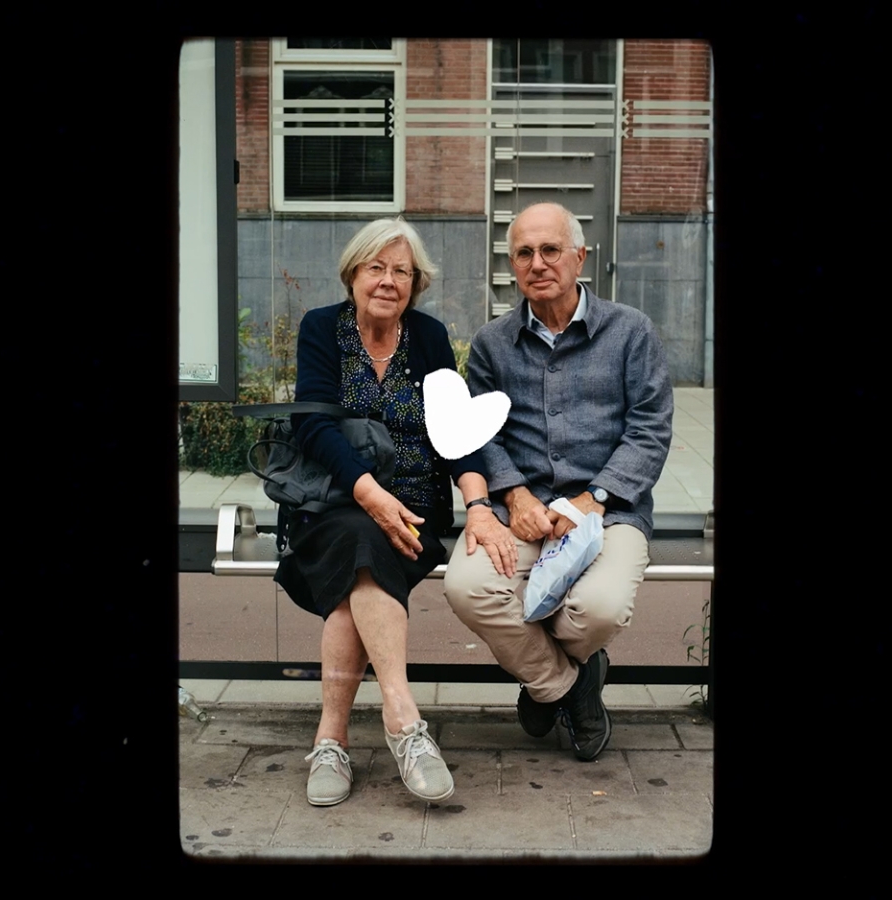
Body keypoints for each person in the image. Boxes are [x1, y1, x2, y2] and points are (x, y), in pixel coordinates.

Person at [276, 218, 517, 807]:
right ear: (353, 274)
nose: (388, 280)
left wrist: (479, 506)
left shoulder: (429, 337)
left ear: (416, 282)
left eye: (401, 271)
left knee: (364, 562)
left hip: (415, 513)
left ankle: (331, 741)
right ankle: (405, 722)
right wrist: (369, 493)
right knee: (361, 543)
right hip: (335, 502)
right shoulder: (321, 329)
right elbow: (313, 422)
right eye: (376, 267)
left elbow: (456, 431)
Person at [444, 202, 673, 761]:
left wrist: (595, 497)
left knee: (597, 608)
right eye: (524, 253)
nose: (538, 263)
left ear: (579, 257)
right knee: (467, 587)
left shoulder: (631, 332)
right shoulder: (493, 343)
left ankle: (550, 678)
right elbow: (479, 434)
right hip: (520, 513)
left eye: (550, 250)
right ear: (511, 264)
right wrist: (515, 494)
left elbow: (650, 429)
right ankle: (570, 685)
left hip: (609, 509)